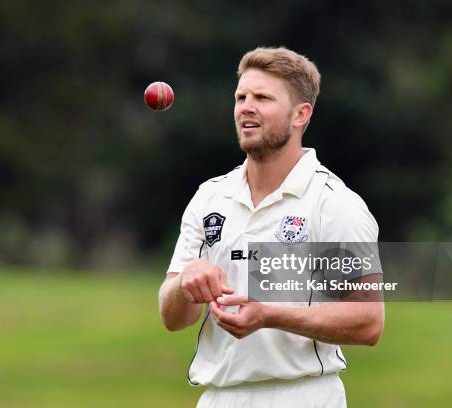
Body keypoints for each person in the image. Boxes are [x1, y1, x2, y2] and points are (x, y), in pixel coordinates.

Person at [159, 47, 384, 408]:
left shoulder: (333, 204)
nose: (246, 107)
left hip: (303, 395)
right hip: (219, 397)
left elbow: (368, 322)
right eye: (241, 97)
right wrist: (185, 283)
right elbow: (174, 319)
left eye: (262, 98)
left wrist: (269, 316)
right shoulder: (210, 197)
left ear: (301, 114)